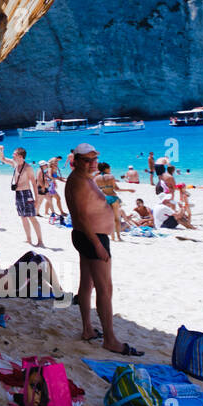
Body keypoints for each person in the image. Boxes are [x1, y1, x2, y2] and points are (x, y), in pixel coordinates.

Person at [65, 143, 142, 356]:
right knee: (105, 288)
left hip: (86, 237)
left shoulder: (83, 179)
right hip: (92, 237)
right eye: (87, 160)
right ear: (76, 161)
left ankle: (88, 330)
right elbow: (80, 216)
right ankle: (110, 339)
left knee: (87, 284)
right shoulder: (79, 181)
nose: (91, 164)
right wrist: (98, 245)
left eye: (94, 159)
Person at [0, 144, 44, 247]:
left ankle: (40, 241)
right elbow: (2, 158)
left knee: (32, 217)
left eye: (14, 154)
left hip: (26, 193)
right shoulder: (14, 164)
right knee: (23, 217)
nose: (12, 155)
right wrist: (0, 150)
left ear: (20, 156)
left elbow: (34, 183)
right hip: (18, 194)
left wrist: (37, 199)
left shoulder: (28, 168)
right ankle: (29, 239)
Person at [94, 161, 135, 241]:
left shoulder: (96, 178)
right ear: (106, 169)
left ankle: (112, 237)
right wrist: (128, 190)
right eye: (109, 168)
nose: (110, 169)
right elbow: (116, 189)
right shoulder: (111, 177)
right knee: (116, 219)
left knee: (110, 219)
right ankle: (118, 237)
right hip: (113, 197)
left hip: (105, 199)